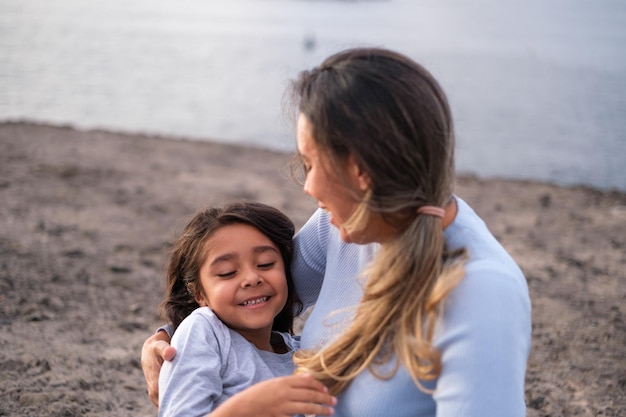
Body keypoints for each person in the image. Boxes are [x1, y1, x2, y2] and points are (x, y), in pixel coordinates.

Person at [142, 47, 532, 417]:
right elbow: (255, 296)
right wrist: (168, 339)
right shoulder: (341, 227)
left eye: (311, 164)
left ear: (360, 171)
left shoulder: (483, 292)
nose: (307, 188)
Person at [157, 201, 336, 417]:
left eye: (265, 263)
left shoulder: (301, 353)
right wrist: (246, 409)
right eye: (227, 272)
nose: (252, 278)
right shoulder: (205, 332)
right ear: (200, 294)